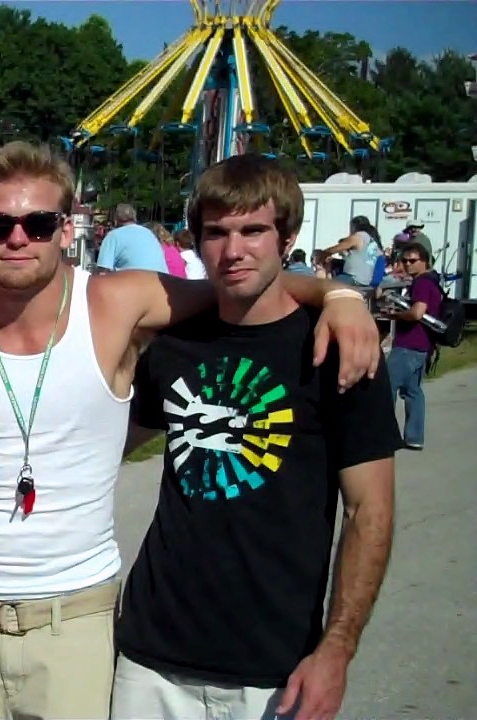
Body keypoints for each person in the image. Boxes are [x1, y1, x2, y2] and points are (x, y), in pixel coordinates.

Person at [0, 141, 380, 720]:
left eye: (38, 224)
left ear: (66, 229)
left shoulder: (117, 302)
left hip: (77, 621)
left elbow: (242, 284)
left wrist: (340, 294)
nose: (18, 238)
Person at [110, 154, 400, 720]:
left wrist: (337, 650)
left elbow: (370, 510)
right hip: (151, 655)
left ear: (286, 238)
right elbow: (103, 447)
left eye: (253, 231)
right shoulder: (174, 346)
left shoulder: (335, 350)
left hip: (273, 665)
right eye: (216, 233)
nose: (233, 250)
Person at [385, 241, 441, 450]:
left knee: (387, 387)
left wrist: (396, 315)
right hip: (422, 347)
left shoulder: (422, 283)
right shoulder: (432, 281)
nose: (408, 264)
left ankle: (385, 436)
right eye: (405, 260)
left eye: (413, 260)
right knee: (413, 392)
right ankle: (414, 437)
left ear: (425, 261)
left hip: (408, 345)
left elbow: (417, 313)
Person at [93, 203, 168, 273]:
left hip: (134, 280)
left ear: (115, 220)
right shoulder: (149, 233)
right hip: (160, 279)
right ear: (135, 218)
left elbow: (103, 271)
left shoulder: (113, 236)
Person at [319, 215, 383, 287]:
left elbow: (336, 248)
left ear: (354, 226)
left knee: (325, 286)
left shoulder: (359, 237)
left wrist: (321, 253)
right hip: (365, 280)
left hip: (353, 278)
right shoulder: (371, 240)